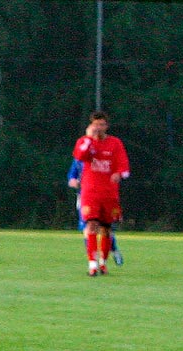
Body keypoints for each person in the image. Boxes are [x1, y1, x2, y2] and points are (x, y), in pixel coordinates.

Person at [72, 111, 129, 276]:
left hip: (109, 193)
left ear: (106, 126)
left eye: (102, 125)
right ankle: (92, 265)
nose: (98, 128)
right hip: (90, 192)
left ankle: (103, 263)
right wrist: (89, 139)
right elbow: (79, 156)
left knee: (106, 229)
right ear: (91, 126)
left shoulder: (115, 143)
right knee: (91, 226)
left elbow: (124, 166)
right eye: (96, 125)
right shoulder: (85, 142)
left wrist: (119, 174)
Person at [67, 159, 122, 266]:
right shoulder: (79, 160)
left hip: (103, 198)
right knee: (87, 228)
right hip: (85, 199)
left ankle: (113, 249)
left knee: (104, 228)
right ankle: (93, 261)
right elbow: (71, 177)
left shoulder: (103, 158)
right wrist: (74, 182)